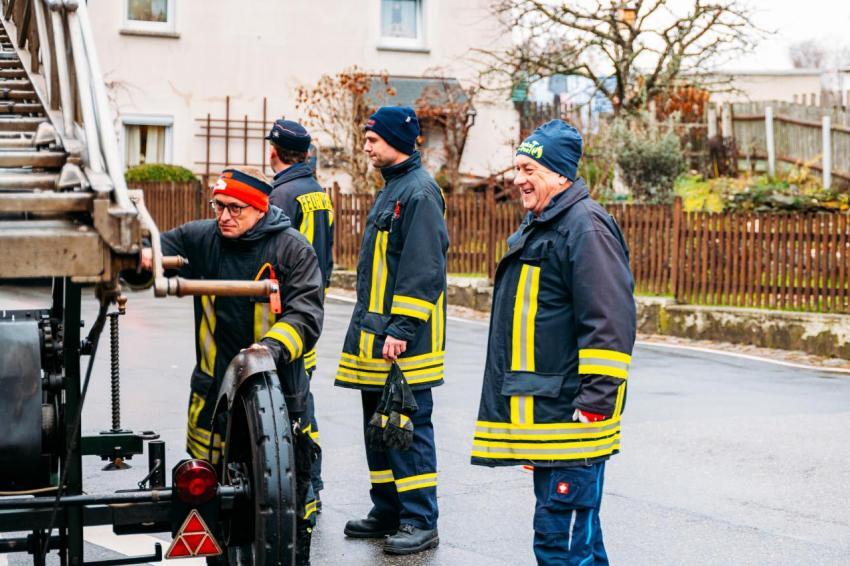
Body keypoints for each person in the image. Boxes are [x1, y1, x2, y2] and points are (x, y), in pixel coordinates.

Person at [136, 167, 324, 565]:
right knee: (210, 508)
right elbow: (149, 252)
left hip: (278, 400)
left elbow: (306, 316)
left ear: (260, 209)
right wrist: (139, 256)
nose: (224, 216)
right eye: (218, 206)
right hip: (212, 400)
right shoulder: (202, 239)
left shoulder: (292, 249)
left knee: (286, 508)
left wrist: (269, 350)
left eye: (235, 208)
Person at [470, 120, 636, 565]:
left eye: (529, 169)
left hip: (572, 419)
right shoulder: (545, 224)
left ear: (560, 174)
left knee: (559, 542)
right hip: (552, 419)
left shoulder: (585, 228)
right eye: (517, 168)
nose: (518, 179)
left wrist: (597, 399)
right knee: (576, 539)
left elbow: (610, 322)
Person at [335, 106, 448, 555]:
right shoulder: (394, 188)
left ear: (397, 141)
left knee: (408, 427)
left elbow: (424, 268)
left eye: (373, 140)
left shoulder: (418, 193)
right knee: (380, 428)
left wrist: (401, 327)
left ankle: (420, 519)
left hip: (403, 343)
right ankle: (388, 510)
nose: (366, 146)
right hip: (376, 341)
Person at [267, 119, 334, 512]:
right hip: (310, 310)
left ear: (273, 152)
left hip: (285, 317)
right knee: (303, 401)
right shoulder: (317, 192)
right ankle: (314, 484)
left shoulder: (282, 195)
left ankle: (304, 488)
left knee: (291, 406)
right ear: (305, 153)